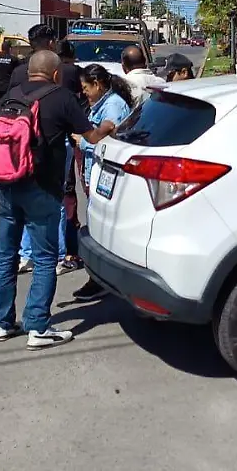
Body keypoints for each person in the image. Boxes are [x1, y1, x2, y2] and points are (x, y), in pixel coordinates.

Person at [0, 50, 114, 350]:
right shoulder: (62, 98)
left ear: (29, 71)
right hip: (41, 188)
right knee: (45, 258)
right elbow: (91, 137)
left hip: (4, 185)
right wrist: (108, 127)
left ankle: (0, 323)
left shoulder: (9, 97)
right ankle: (37, 327)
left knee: (5, 256)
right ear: (56, 74)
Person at [70, 64, 136, 301]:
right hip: (97, 175)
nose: (84, 92)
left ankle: (99, 279)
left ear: (97, 85)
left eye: (86, 87)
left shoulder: (113, 106)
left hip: (108, 178)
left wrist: (82, 141)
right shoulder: (102, 104)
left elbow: (109, 142)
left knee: (102, 232)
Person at [18, 40, 84, 275]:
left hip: (23, 152)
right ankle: (58, 256)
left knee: (28, 204)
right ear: (56, 74)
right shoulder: (63, 94)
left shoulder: (16, 91)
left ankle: (26, 255)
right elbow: (86, 131)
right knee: (57, 202)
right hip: (55, 150)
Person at [6, 24, 58, 95]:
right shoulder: (61, 71)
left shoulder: (18, 72)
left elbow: (10, 97)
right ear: (51, 43)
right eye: (56, 41)